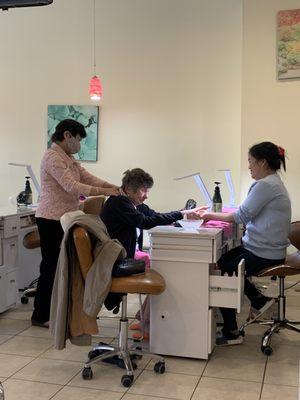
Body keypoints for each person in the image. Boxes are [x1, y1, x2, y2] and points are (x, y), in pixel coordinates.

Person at [200, 141, 291, 345]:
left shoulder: (267, 185)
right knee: (224, 260)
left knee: (225, 270)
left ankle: (231, 333)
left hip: (265, 253)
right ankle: (259, 299)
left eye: (251, 162)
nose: (249, 166)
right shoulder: (271, 182)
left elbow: (241, 215)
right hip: (263, 248)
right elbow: (246, 211)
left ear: (263, 162)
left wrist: (209, 214)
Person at [32, 119, 120, 328]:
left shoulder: (69, 159)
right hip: (50, 218)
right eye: (78, 139)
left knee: (63, 266)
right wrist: (106, 192)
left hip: (64, 219)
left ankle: (59, 309)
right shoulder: (52, 157)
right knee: (51, 266)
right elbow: (72, 186)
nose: (79, 145)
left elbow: (89, 179)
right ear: (67, 136)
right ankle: (40, 314)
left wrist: (114, 187)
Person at [101, 168, 206, 338]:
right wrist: (180, 214)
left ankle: (144, 318)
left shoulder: (133, 204)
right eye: (143, 190)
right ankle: (148, 323)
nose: (146, 195)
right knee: (163, 270)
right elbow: (145, 222)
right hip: (117, 262)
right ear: (129, 189)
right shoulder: (118, 203)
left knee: (160, 266)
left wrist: (182, 214)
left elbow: (154, 215)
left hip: (125, 257)